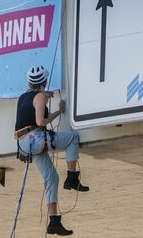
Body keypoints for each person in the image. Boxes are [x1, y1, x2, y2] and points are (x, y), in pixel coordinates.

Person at [14, 66, 89, 236]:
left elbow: (31, 111)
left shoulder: (23, 97)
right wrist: (59, 111)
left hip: (25, 145)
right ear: (44, 81)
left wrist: (45, 98)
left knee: (52, 178)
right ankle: (71, 178)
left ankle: (54, 221)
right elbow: (41, 121)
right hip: (35, 139)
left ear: (29, 82)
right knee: (72, 138)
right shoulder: (40, 97)